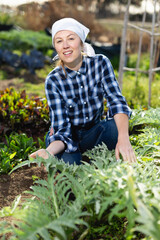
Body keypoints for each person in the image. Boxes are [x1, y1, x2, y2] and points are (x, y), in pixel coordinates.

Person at [30, 18, 137, 164]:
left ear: (81, 42)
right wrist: (48, 152)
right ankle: (72, 156)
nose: (65, 46)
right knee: (71, 166)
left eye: (71, 38)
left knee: (115, 127)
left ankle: (97, 152)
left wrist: (124, 139)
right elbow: (62, 129)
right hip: (66, 138)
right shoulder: (53, 80)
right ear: (55, 47)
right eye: (59, 41)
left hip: (94, 132)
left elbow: (116, 101)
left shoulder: (100, 63)